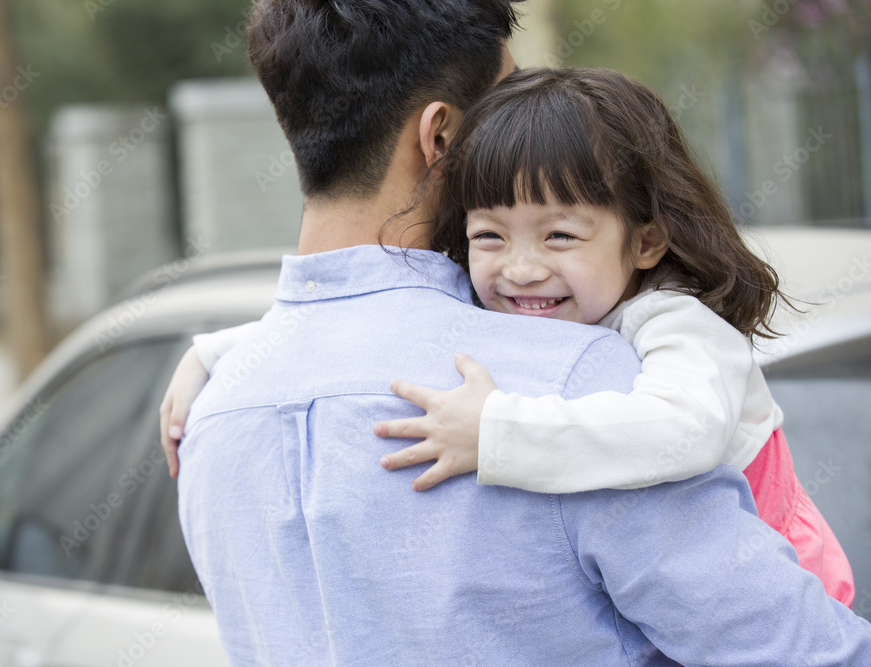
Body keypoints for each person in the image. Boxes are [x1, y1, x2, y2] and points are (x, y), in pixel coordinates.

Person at [172, 1, 871, 663]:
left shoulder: (212, 414)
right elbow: (810, 650)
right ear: (443, 137)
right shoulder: (576, 380)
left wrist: (211, 352)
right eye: (503, 105)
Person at [367, 66, 856, 608]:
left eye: (559, 235)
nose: (522, 268)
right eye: (489, 235)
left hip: (775, 591)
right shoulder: (505, 323)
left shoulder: (678, 322)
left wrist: (497, 433)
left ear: (646, 241)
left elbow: (681, 430)